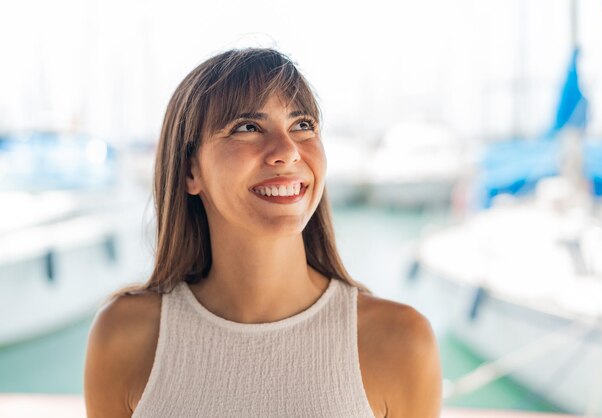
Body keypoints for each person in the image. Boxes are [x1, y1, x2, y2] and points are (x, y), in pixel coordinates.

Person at [83, 47, 442, 418]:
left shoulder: (401, 342)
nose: (287, 152)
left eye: (302, 125)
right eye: (247, 128)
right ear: (191, 171)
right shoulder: (124, 335)